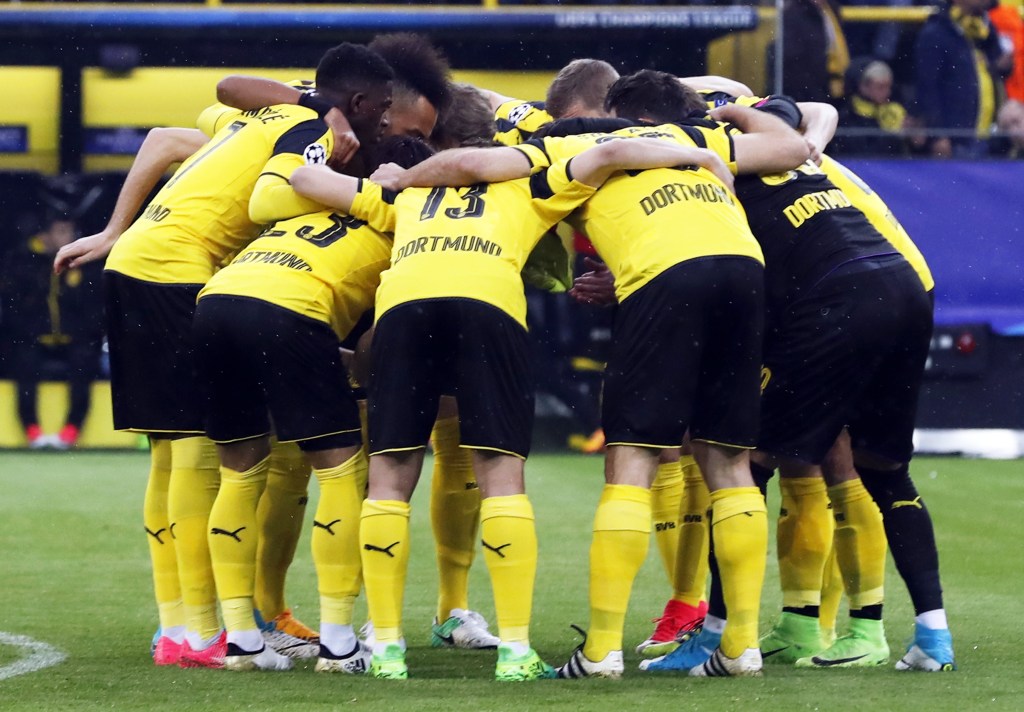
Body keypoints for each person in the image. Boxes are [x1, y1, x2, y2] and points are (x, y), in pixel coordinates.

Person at [371, 69, 810, 678]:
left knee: (631, 457)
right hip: (741, 267)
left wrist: (404, 176)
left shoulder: (569, 138)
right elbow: (798, 143)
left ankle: (600, 651)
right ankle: (739, 645)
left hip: (663, 274)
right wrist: (724, 119)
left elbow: (482, 166)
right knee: (730, 461)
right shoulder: (695, 133)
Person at [292, 130, 745, 681]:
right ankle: (514, 652)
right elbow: (608, 153)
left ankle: (386, 648)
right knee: (502, 478)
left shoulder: (406, 196)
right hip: (487, 305)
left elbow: (304, 177)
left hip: (405, 305)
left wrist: (381, 176)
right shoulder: (528, 187)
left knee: (389, 476)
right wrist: (697, 154)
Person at [53, 42, 394, 669]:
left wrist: (113, 233)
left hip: (138, 265)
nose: (385, 123)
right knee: (201, 454)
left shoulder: (256, 120)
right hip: (182, 273)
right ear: (358, 104)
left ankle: (178, 627)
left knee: (168, 454)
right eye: (382, 111)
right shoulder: (313, 131)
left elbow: (168, 132)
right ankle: (208, 631)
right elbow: (270, 198)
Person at [601, 82, 953, 674]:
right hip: (901, 282)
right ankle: (931, 638)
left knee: (743, 465)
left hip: (835, 294)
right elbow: (813, 109)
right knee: (883, 467)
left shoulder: (698, 154)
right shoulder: (773, 137)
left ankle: (717, 636)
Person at [194, 135, 435, 672]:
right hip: (292, 311)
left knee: (238, 473)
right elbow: (379, 339)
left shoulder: (317, 200)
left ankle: (240, 641)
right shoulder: (409, 220)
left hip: (215, 303)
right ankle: (339, 642)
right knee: (340, 472)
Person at [2, 179, 104, 450]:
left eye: (70, 231)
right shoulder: (25, 260)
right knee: (23, 363)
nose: (67, 236)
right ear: (46, 234)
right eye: (61, 231)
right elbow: (16, 304)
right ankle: (33, 432)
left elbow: (91, 308)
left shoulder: (83, 264)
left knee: (85, 364)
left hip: (74, 340)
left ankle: (70, 432)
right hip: (35, 339)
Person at [914, 0, 1010, 157]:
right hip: (957, 139)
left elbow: (999, 68)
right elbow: (927, 88)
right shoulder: (935, 32)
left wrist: (1002, 65)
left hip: (991, 136)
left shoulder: (984, 28)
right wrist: (938, 135)